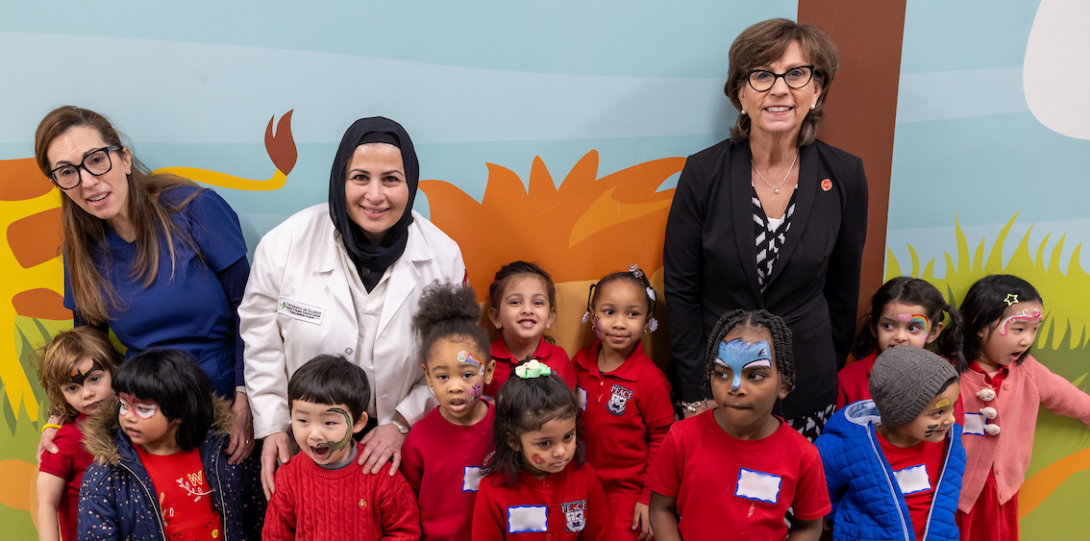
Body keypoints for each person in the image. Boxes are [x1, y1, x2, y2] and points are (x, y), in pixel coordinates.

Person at [663, 18, 868, 440]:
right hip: (718, 383)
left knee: (795, 501)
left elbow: (844, 290)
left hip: (807, 384)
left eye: (796, 74)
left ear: (817, 88)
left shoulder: (845, 175)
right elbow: (681, 290)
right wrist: (694, 389)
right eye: (762, 75)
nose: (779, 89)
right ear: (740, 92)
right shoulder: (703, 172)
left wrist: (822, 366)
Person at [240, 116, 467, 496]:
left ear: (410, 183)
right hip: (310, 437)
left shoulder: (442, 256)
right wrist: (274, 425)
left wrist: (400, 424)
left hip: (401, 441)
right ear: (339, 180)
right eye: (360, 177)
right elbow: (261, 343)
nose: (374, 195)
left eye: (391, 179)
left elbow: (454, 357)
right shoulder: (285, 244)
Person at [34, 106, 254, 464]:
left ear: (124, 158)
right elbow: (85, 349)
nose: (88, 180)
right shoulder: (82, 253)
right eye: (67, 172)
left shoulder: (195, 209)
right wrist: (57, 418)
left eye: (96, 160)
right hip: (145, 422)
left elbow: (252, 311)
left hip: (224, 410)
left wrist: (248, 401)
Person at [646, 310, 829, 541]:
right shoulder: (681, 437)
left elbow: (809, 526)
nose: (735, 387)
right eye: (722, 373)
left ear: (784, 383)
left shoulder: (804, 456)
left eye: (754, 376)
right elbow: (660, 508)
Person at [955, 275, 1090, 541]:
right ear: (979, 325)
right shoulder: (946, 372)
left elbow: (1072, 400)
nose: (1027, 340)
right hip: (952, 493)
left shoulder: (1028, 372)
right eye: (1018, 329)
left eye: (1034, 329)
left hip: (1001, 495)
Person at [78, 350, 265, 541]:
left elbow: (257, 522)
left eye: (142, 409)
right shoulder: (106, 476)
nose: (128, 417)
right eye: (124, 405)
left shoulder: (224, 456)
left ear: (180, 413)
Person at [263, 355, 421, 540]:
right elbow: (275, 536)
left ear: (358, 422)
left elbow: (405, 533)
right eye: (303, 420)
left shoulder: (382, 476)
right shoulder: (288, 478)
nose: (314, 434)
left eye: (329, 422)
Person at [817, 347, 965, 541]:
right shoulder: (851, 446)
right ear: (900, 413)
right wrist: (832, 513)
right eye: (938, 412)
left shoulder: (950, 442)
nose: (951, 420)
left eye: (952, 407)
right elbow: (822, 481)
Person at [572, 265, 673, 540]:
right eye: (609, 312)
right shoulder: (578, 365)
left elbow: (664, 441)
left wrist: (648, 498)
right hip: (578, 485)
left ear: (647, 319)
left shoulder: (651, 381)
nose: (619, 322)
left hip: (625, 494)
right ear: (593, 317)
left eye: (632, 313)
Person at [400, 282, 497, 540]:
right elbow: (407, 502)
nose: (455, 386)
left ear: (487, 371)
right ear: (428, 377)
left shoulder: (505, 427)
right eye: (442, 376)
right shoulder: (418, 439)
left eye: (467, 374)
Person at [473, 360, 610, 540]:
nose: (561, 452)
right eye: (545, 443)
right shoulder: (493, 491)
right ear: (513, 441)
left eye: (568, 437)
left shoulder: (586, 478)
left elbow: (599, 535)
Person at [34, 327, 121, 541]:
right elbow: (46, 502)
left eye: (95, 379)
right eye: (72, 388)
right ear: (61, 394)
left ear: (114, 369)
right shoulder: (67, 440)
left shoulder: (133, 428)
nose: (87, 393)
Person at [838, 276, 965, 408]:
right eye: (888, 326)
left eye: (913, 328)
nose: (900, 336)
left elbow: (953, 426)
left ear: (932, 332)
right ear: (874, 328)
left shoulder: (945, 382)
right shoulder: (848, 378)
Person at [485, 261, 575, 397]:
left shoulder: (559, 358)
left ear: (549, 318)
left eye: (538, 302)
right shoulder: (485, 359)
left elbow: (570, 407)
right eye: (515, 302)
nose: (527, 310)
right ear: (496, 317)